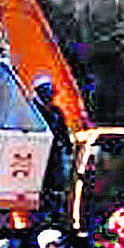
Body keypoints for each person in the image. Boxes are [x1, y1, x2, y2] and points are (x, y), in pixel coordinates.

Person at [32, 78, 75, 223]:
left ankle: (56, 214)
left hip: (55, 154)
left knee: (57, 185)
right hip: (39, 154)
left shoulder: (56, 112)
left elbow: (63, 133)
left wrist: (68, 148)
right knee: (42, 186)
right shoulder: (34, 109)